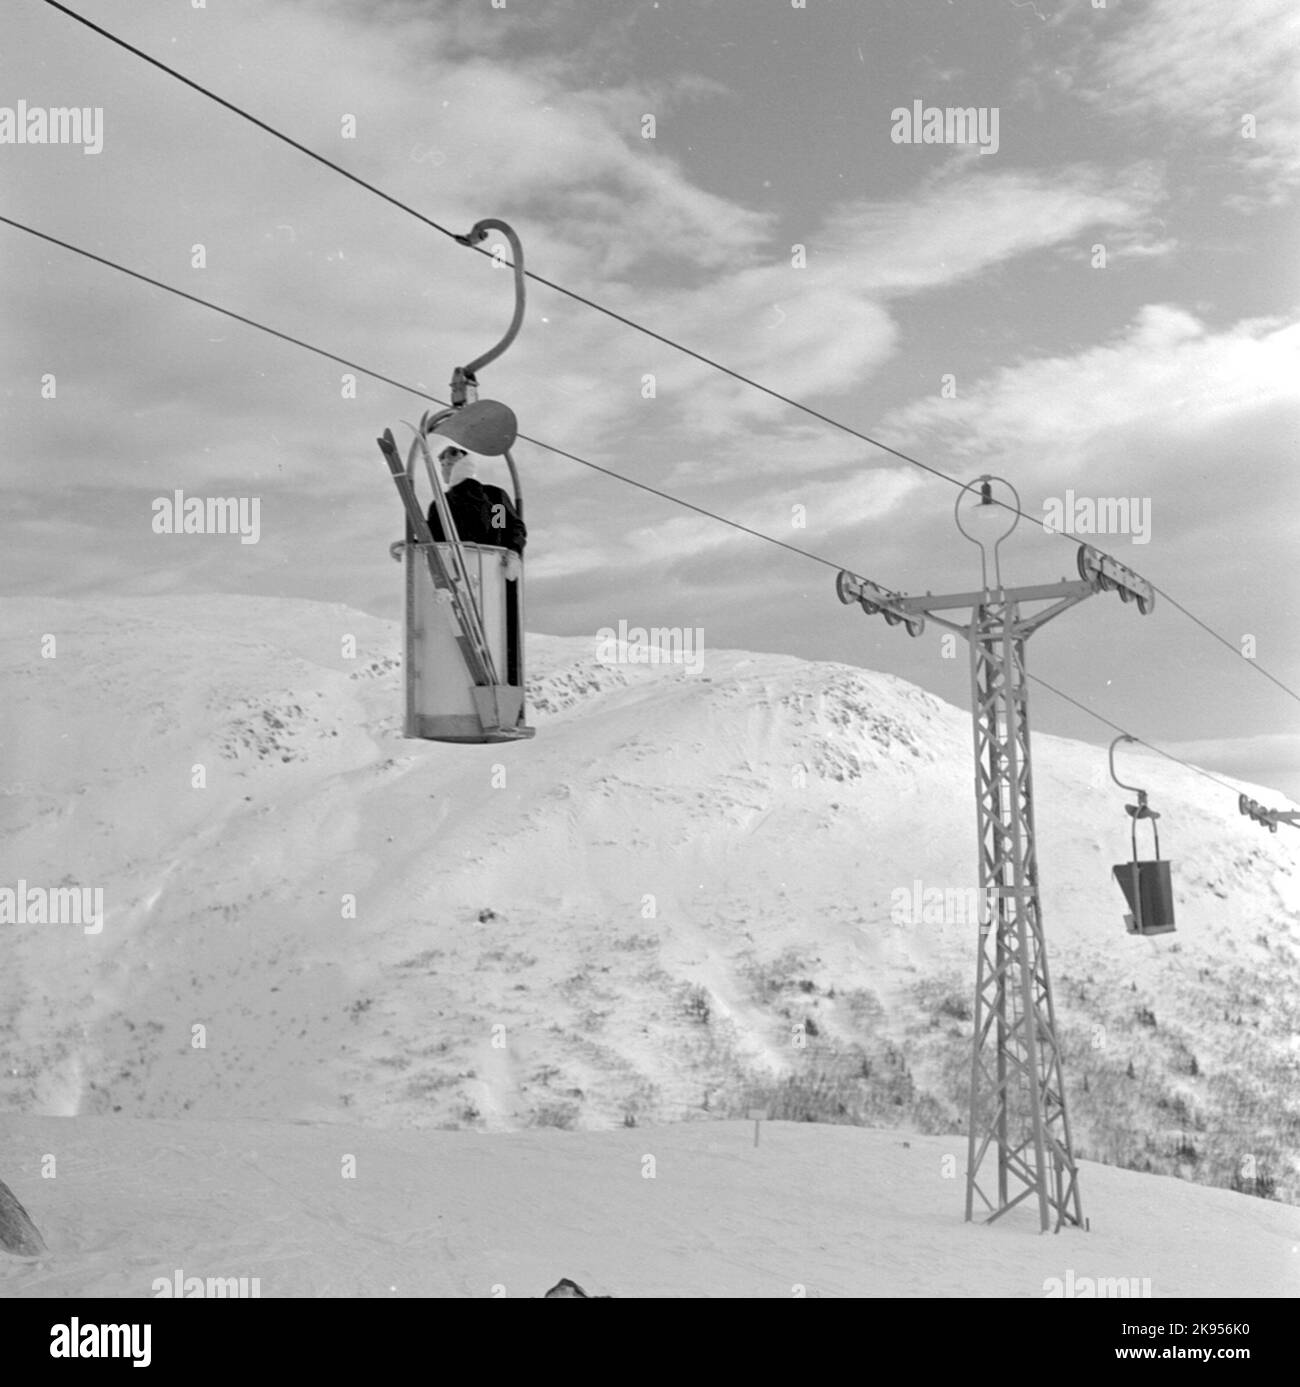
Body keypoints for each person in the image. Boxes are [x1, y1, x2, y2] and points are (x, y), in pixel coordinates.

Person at [426, 444, 526, 568]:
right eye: (443, 465)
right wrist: (410, 544)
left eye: (451, 464)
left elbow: (507, 528)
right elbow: (432, 537)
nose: (445, 470)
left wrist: (513, 551)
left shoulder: (494, 497)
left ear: (464, 466)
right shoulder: (440, 505)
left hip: (493, 567)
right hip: (454, 570)